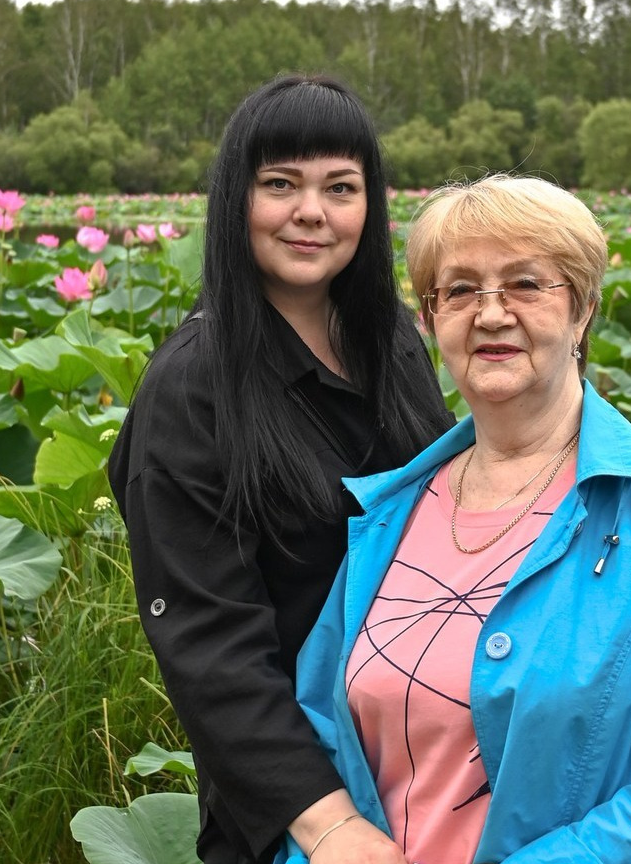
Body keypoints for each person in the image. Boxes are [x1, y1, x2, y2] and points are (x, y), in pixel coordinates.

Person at [282, 174, 631, 864]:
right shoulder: (389, 511)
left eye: (524, 284)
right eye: (458, 291)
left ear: (582, 311)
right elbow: (318, 725)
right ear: (430, 321)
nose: (489, 314)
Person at [108, 75, 454, 864]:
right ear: (237, 200)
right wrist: (327, 824)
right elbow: (207, 640)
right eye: (280, 185)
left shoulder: (395, 341)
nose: (312, 212)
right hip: (299, 798)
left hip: (425, 757)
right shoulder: (192, 389)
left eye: (340, 187)